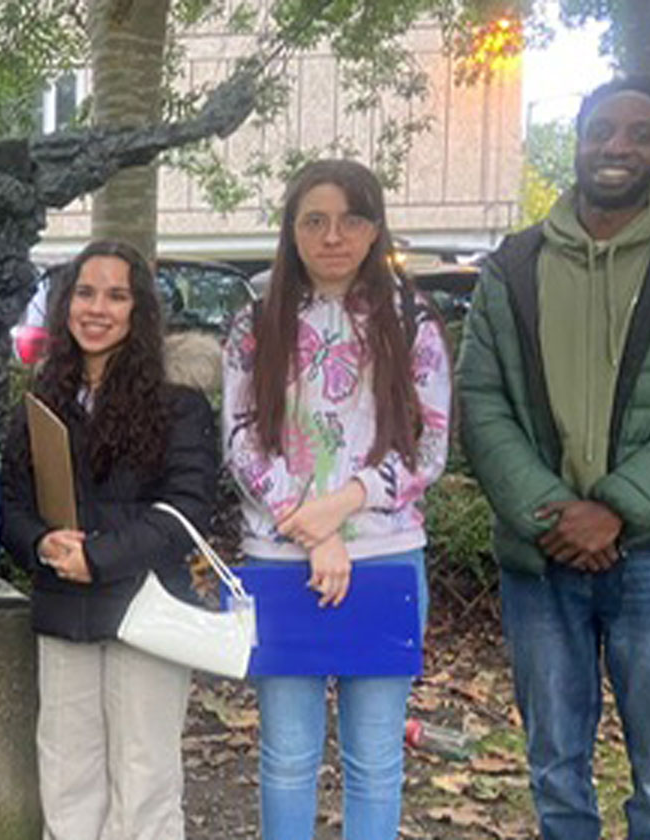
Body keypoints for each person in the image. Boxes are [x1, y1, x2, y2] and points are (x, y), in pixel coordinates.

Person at [458, 77, 650, 840]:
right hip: (543, 556)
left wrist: (619, 509)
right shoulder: (514, 264)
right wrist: (556, 515)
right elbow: (481, 401)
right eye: (602, 129)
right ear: (580, 137)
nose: (617, 145)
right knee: (554, 763)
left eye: (639, 132)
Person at [222, 159, 451, 840]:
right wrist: (310, 528)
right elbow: (239, 439)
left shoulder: (412, 321)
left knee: (376, 759)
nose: (332, 236)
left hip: (386, 558)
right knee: (288, 757)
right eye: (313, 220)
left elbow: (428, 446)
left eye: (351, 219)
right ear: (291, 231)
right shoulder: (255, 322)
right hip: (279, 557)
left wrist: (343, 504)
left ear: (375, 227)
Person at [0, 239, 219, 840]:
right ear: (66, 304)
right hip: (64, 610)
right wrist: (44, 546)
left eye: (116, 295)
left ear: (138, 310)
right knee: (67, 779)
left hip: (145, 608)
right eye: (86, 293)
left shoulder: (179, 404)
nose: (97, 308)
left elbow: (187, 511)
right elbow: (11, 505)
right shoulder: (43, 400)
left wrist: (98, 556)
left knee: (144, 782)